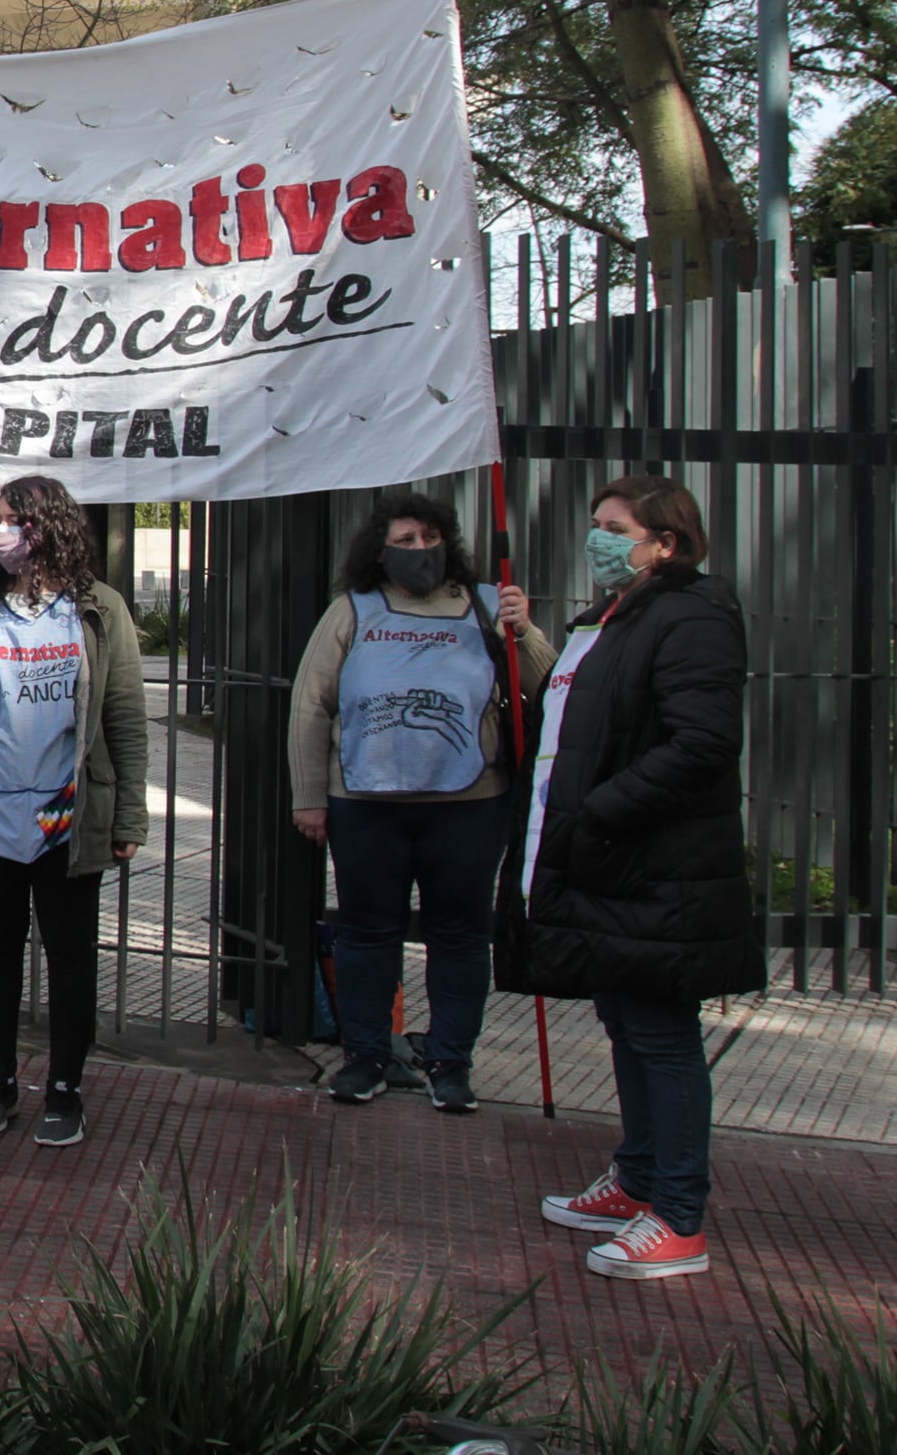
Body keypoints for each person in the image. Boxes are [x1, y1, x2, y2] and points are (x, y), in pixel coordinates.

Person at [503, 474, 757, 1283]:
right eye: (596, 523)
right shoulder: (610, 617)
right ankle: (638, 1177)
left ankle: (678, 1216)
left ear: (666, 543)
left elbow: (702, 745)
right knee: (626, 1027)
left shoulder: (690, 617)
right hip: (602, 868)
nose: (598, 537)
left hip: (654, 871)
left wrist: (602, 811)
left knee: (662, 1037)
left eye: (614, 526)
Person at [289, 491, 551, 1113]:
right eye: (404, 541)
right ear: (379, 550)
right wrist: (308, 798)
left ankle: (451, 1062)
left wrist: (527, 632)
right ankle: (366, 1056)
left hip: (469, 803)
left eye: (429, 538)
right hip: (365, 801)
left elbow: (548, 685)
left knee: (460, 937)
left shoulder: (487, 606)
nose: (419, 551)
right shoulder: (352, 611)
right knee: (365, 934)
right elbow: (310, 706)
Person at [0, 474, 148, 1149]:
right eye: (0, 519)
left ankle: (66, 1089)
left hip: (64, 817)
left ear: (51, 530)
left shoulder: (99, 609)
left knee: (71, 955)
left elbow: (126, 719)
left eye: (15, 520)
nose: (2, 533)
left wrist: (128, 815)